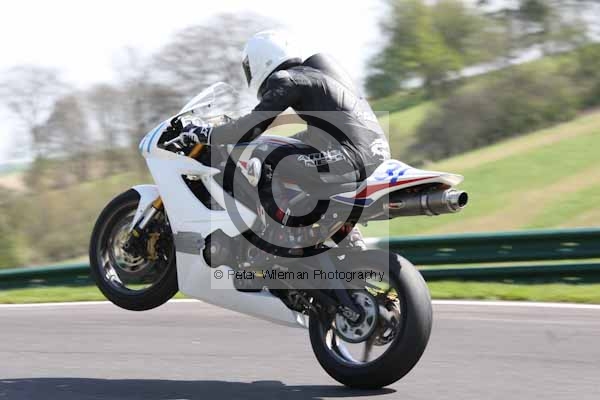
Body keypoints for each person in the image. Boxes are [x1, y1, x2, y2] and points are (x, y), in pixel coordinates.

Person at [176, 30, 391, 249]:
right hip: (375, 155)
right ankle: (346, 235)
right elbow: (321, 133)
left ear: (261, 60)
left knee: (265, 155)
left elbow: (251, 127)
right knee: (280, 150)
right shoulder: (318, 75)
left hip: (350, 157)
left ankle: (280, 235)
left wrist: (206, 134)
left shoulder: (287, 79)